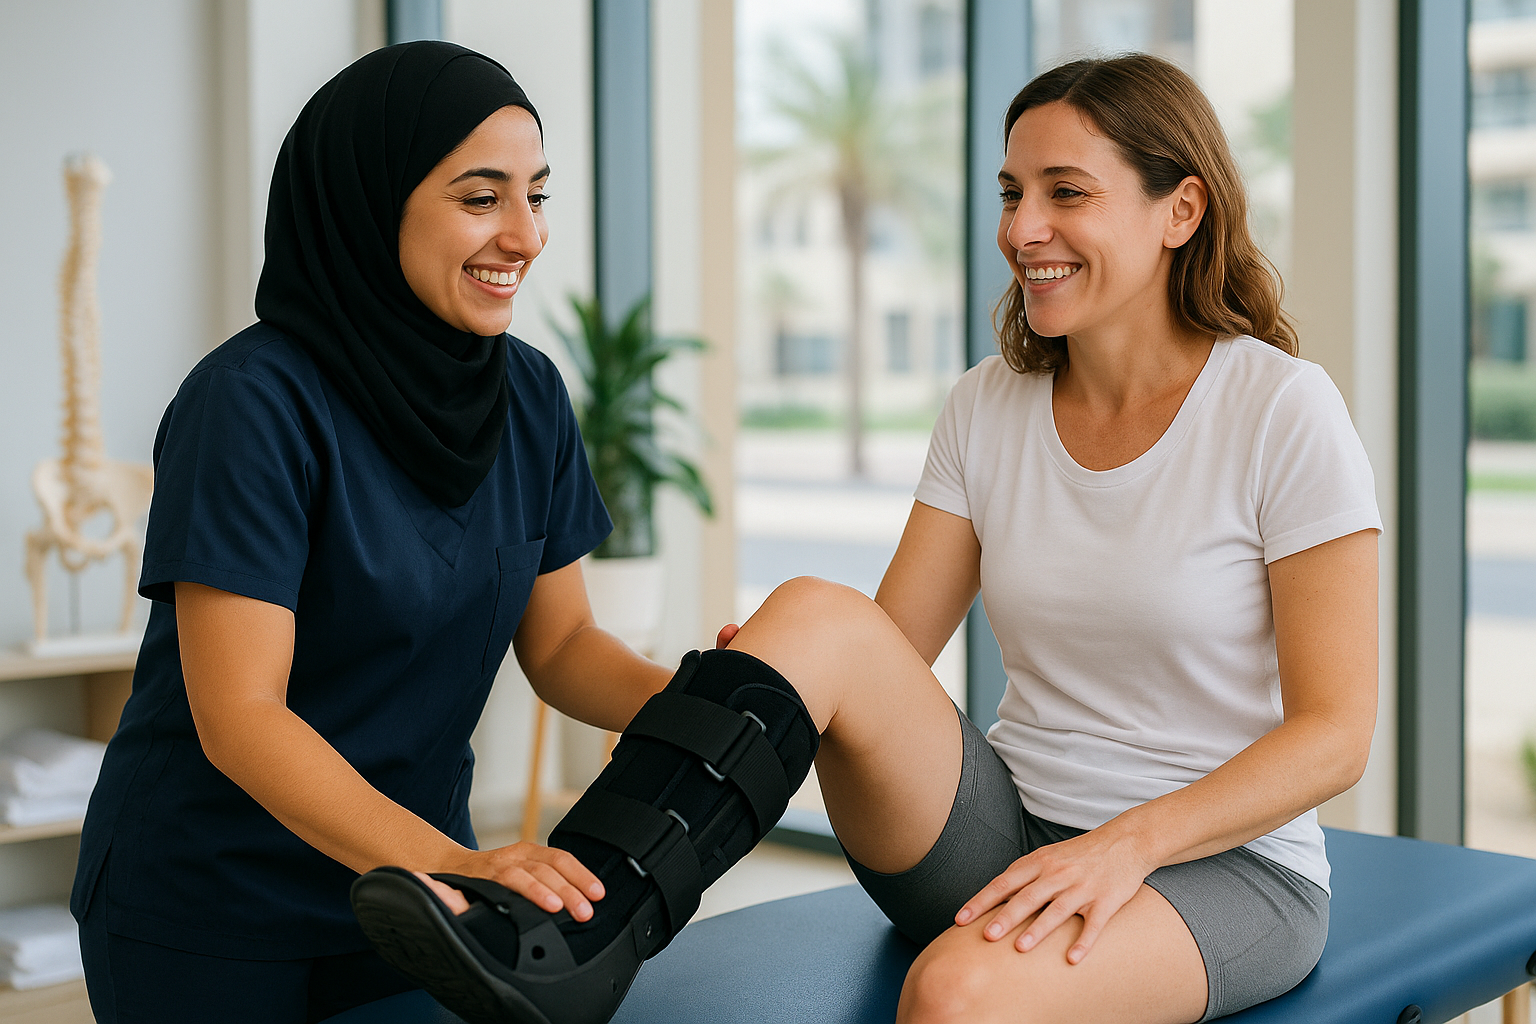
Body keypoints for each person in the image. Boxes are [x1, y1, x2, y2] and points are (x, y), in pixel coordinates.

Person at [360, 51, 1381, 1024]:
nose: (1024, 228)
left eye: (1066, 193)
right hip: (999, 830)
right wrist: (761, 687)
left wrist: (1126, 844)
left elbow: (1336, 732)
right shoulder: (992, 403)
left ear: (1181, 210)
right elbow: (881, 653)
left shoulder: (1280, 410)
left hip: (1216, 868)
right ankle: (570, 936)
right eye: (1010, 192)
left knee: (954, 997)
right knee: (812, 613)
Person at [69, 41, 670, 1023]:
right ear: (369, 202)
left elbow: (561, 643)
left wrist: (695, 697)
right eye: (482, 198)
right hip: (211, 905)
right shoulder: (251, 404)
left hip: (408, 899)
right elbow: (243, 716)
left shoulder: (529, 398)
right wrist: (456, 860)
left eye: (539, 194)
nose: (527, 235)